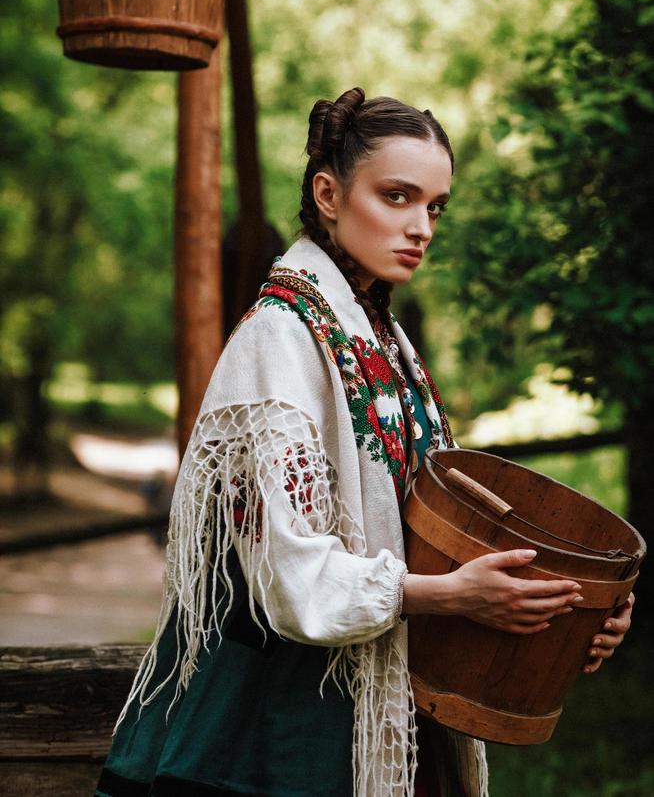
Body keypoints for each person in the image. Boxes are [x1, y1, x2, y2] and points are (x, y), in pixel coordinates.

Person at [95, 88, 633, 797]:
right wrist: (451, 596)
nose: (422, 228)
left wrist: (570, 611)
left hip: (392, 704)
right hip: (285, 725)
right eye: (397, 196)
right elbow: (288, 573)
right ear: (328, 192)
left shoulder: (382, 337)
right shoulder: (280, 338)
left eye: (434, 206)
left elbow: (429, 536)